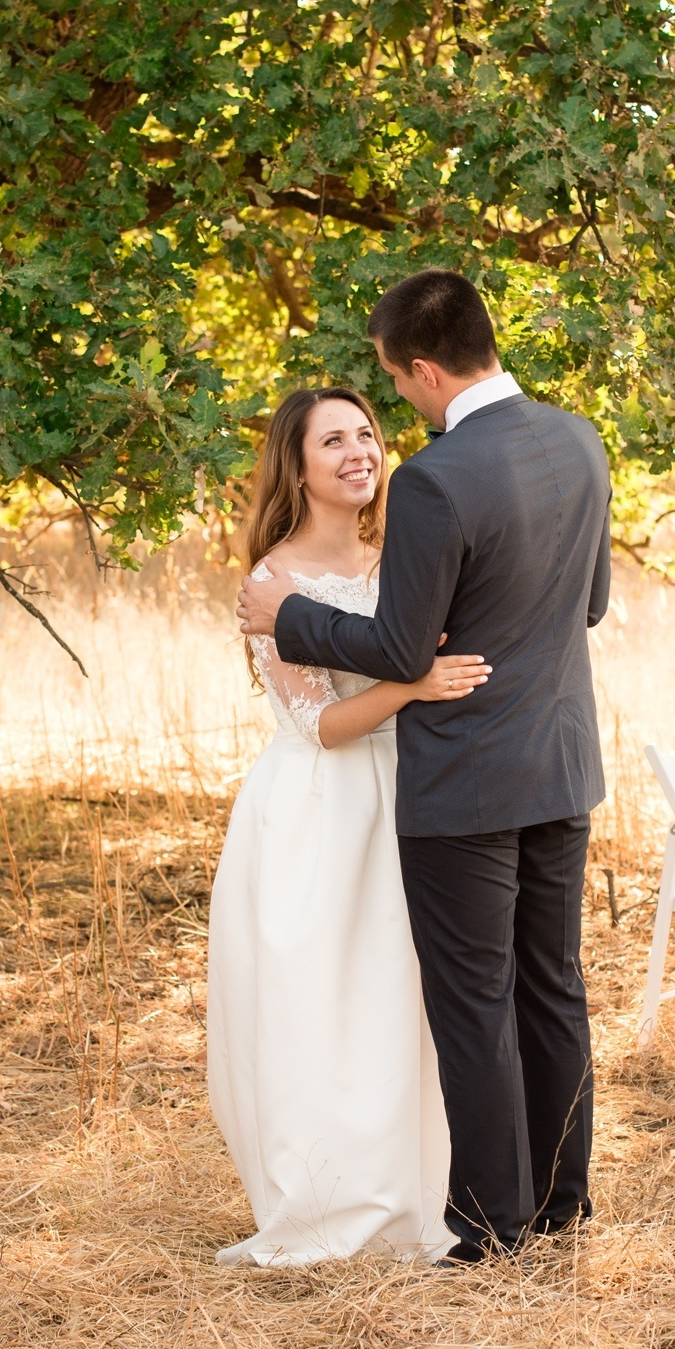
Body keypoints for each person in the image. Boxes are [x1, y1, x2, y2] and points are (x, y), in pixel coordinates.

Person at [238, 269, 612, 1263]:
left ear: (426, 368)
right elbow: (590, 605)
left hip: (465, 786)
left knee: (476, 1001)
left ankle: (493, 1222)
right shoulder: (580, 438)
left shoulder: (438, 477)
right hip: (563, 762)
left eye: (395, 388)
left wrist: (292, 617)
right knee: (553, 984)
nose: (394, 408)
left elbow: (405, 650)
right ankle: (565, 1198)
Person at [206, 385, 495, 1265]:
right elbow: (318, 725)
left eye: (366, 434)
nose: (357, 452)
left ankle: (418, 1193)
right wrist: (415, 685)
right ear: (296, 467)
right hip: (322, 811)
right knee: (323, 1001)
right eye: (332, 441)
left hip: (410, 795)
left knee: (401, 998)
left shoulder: (394, 559)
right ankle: (329, 1201)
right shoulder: (272, 583)